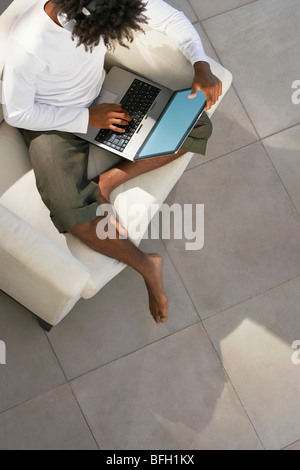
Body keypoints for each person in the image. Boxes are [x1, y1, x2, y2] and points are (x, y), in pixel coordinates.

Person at [2, 0, 222, 325]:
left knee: (194, 122)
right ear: (84, 19)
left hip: (104, 94)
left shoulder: (106, 2)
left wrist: (200, 65)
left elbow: (172, 18)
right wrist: (87, 118)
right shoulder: (29, 43)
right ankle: (146, 264)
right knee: (68, 210)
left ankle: (109, 181)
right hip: (52, 121)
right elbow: (18, 112)